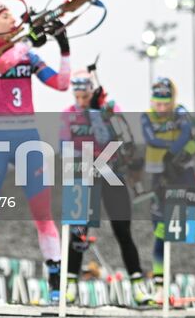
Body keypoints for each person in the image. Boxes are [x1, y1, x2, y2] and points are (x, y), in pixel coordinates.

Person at [0, 0, 71, 305]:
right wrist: (27, 42)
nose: (12, 18)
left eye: (12, 13)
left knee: (43, 215)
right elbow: (1, 65)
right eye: (4, 15)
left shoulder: (28, 54)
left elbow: (62, 84)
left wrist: (63, 48)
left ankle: (56, 281)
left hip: (28, 140)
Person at [61, 70, 154, 306]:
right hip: (82, 173)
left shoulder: (109, 110)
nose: (81, 101)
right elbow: (64, 145)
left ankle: (137, 284)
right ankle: (70, 283)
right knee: (78, 230)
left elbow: (120, 140)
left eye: (86, 96)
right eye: (78, 96)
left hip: (111, 172)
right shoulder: (68, 114)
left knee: (122, 230)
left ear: (93, 92)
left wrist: (98, 113)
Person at [142, 77, 195, 307]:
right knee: (160, 230)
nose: (162, 109)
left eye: (166, 104)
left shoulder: (181, 112)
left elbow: (187, 133)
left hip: (182, 173)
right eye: (158, 104)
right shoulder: (147, 115)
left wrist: (175, 154)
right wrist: (170, 153)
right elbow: (151, 139)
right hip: (160, 174)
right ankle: (158, 285)